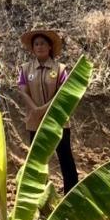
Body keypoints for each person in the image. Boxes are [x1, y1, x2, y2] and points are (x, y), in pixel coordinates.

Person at [17, 28, 78, 194]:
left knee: (65, 157)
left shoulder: (60, 69)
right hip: (34, 121)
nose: (39, 47)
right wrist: (35, 109)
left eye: (43, 43)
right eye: (36, 44)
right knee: (37, 161)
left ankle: (70, 193)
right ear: (32, 48)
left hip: (58, 121)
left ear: (50, 47)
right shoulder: (25, 69)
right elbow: (22, 90)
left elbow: (62, 92)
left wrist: (43, 109)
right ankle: (39, 195)